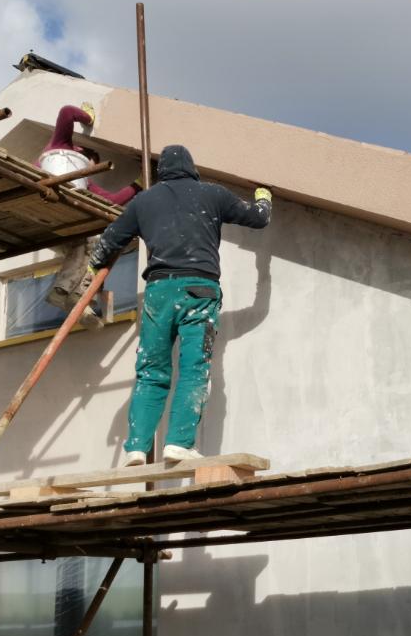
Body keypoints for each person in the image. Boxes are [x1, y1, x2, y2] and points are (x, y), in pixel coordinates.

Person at [88, 145, 273, 464]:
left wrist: (94, 268)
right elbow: (258, 218)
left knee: (150, 371)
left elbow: (108, 242)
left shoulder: (143, 202)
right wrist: (263, 196)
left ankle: (136, 447)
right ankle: (178, 442)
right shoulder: (213, 194)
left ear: (162, 173)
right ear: (192, 168)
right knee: (194, 369)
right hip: (199, 292)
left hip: (158, 293)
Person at [38, 103, 141, 207]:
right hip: (38, 186)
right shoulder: (61, 145)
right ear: (79, 151)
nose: (90, 170)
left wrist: (138, 184)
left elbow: (110, 201)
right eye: (92, 163)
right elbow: (67, 112)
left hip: (49, 199)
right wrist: (88, 118)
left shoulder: (83, 181)